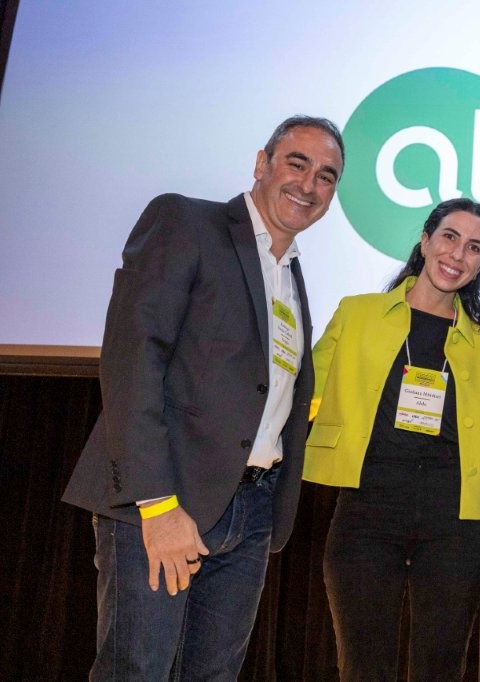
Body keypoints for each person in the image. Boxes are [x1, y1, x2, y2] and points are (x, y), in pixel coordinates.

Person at [61, 115, 345, 680]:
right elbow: (133, 358)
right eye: (297, 163)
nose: (309, 184)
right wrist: (157, 503)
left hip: (252, 509)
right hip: (167, 498)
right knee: (137, 672)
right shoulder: (187, 222)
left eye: (326, 176)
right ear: (261, 164)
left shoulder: (291, 274)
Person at [304, 198, 480, 681]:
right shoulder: (357, 314)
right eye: (450, 237)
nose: (458, 254)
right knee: (364, 665)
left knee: (440, 667)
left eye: (474, 247)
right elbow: (305, 393)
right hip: (367, 508)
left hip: (454, 520)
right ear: (426, 240)